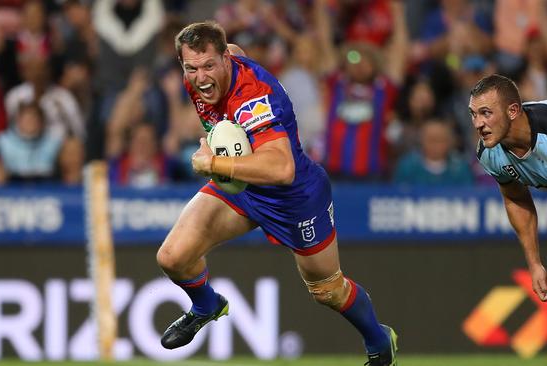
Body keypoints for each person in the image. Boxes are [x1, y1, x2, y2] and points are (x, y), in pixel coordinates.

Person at [155, 21, 398, 366]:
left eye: (209, 65)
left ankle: (379, 340)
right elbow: (237, 51)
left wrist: (213, 164)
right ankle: (207, 305)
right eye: (191, 67)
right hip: (242, 188)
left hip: (294, 198)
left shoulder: (252, 99)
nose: (199, 76)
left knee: (328, 291)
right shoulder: (209, 73)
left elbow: (282, 169)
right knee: (172, 258)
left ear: (224, 60)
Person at [470, 74, 547, 365]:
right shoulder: (491, 155)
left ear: (513, 111)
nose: (478, 123)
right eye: (474, 114)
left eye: (486, 113)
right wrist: (534, 262)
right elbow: (516, 198)